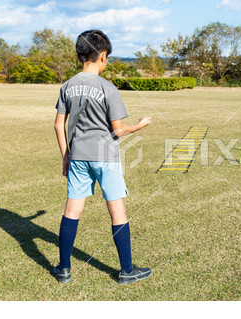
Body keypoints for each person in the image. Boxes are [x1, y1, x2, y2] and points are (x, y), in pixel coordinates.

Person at [53, 29, 152, 285]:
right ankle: (126, 271)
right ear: (103, 57)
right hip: (106, 156)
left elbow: (57, 125)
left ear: (79, 57)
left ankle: (64, 269)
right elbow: (118, 129)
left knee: (72, 211)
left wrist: (66, 155)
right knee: (117, 210)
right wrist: (139, 126)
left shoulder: (67, 86)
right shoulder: (108, 88)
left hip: (77, 156)